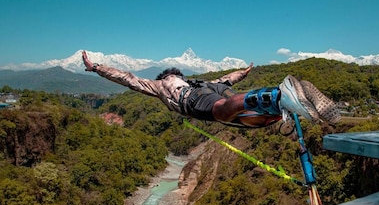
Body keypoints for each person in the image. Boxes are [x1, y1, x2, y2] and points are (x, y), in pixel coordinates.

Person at [82, 51, 340, 128]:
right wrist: (245, 72)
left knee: (220, 111)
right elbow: (229, 78)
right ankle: (280, 104)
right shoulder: (202, 82)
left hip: (192, 103)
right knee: (249, 120)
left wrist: (96, 68)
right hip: (210, 92)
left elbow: (127, 78)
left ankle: (276, 95)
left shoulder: (161, 85)